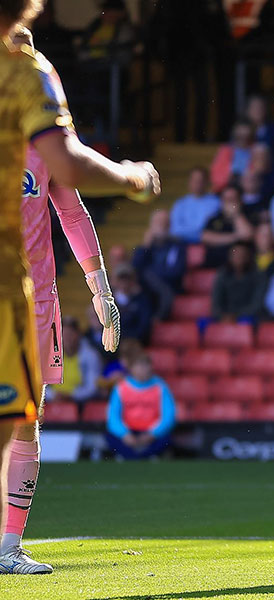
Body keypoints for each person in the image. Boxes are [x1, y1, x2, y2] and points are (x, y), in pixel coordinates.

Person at [0, 5, 159, 575]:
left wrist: (98, 289)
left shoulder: (41, 144)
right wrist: (135, 177)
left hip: (29, 297)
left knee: (24, 417)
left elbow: (72, 210)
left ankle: (8, 546)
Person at [106, 354, 176, 460]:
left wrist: (153, 434)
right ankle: (135, 456)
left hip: (152, 433)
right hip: (129, 432)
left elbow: (169, 416)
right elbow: (113, 417)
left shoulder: (160, 386)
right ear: (131, 368)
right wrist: (124, 434)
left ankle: (141, 456)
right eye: (139, 365)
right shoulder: (121, 387)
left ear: (151, 367)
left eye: (145, 365)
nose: (142, 369)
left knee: (167, 437)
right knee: (110, 435)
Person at [211, 241, 267, 323]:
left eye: (242, 255)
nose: (239, 257)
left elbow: (257, 304)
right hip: (224, 316)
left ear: (248, 257)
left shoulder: (258, 276)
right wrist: (223, 316)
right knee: (203, 324)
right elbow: (216, 302)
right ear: (230, 256)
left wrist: (236, 316)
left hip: (247, 317)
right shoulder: (223, 274)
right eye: (235, 254)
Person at [168, 167, 219, 243]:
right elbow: (175, 229)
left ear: (207, 182)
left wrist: (187, 233)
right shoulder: (180, 203)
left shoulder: (216, 203)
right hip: (181, 242)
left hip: (206, 244)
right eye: (194, 180)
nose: (197, 184)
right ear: (189, 182)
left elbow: (204, 228)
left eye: (200, 181)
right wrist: (197, 234)